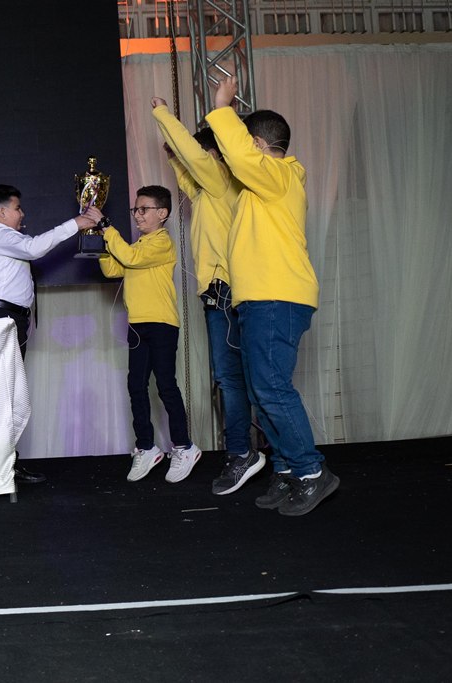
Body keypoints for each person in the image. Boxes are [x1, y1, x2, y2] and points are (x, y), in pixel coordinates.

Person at [206, 75, 338, 516]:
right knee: (261, 390)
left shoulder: (281, 174)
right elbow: (232, 166)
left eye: (246, 144)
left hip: (276, 297)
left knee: (272, 387)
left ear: (259, 145)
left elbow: (241, 158)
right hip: (259, 298)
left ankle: (311, 472)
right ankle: (286, 468)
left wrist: (222, 107)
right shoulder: (259, 188)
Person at [151, 97, 263, 496]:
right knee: (233, 377)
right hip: (219, 294)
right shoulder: (209, 192)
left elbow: (195, 161)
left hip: (226, 293)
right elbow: (189, 180)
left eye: (200, 156)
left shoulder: (219, 179)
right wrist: (174, 159)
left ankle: (242, 453)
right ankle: (253, 452)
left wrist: (163, 115)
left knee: (232, 379)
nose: (195, 163)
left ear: (214, 155)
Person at [0, 184, 102, 484]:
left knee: (5, 393)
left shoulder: (2, 238)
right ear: (2, 212)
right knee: (0, 394)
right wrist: (76, 223)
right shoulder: (1, 236)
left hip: (6, 319)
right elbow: (35, 248)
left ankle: (3, 464)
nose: (22, 213)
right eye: (17, 208)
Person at [99, 185, 203, 484]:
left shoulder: (161, 243)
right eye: (136, 209)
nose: (138, 215)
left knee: (166, 386)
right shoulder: (138, 246)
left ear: (162, 213)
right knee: (136, 386)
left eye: (144, 209)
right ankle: (146, 447)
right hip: (137, 324)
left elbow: (130, 258)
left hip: (161, 323)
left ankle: (184, 446)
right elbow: (113, 269)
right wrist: (98, 244)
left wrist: (107, 229)